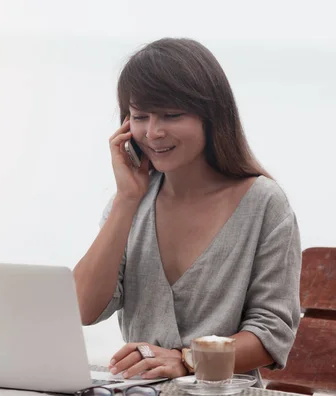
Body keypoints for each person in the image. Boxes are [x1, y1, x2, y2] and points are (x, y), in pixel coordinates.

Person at [72, 38, 302, 385]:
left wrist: (187, 360)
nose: (153, 132)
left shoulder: (264, 204)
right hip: (138, 391)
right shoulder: (130, 203)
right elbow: (83, 309)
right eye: (140, 117)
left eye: (172, 115)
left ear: (212, 117)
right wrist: (126, 200)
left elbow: (271, 334)